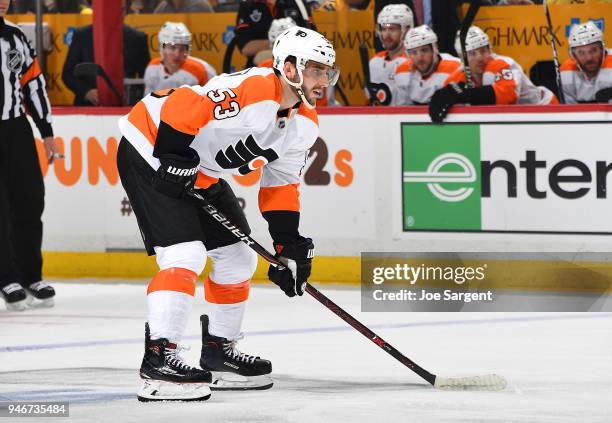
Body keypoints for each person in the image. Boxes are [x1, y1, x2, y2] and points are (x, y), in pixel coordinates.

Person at [117, 26, 338, 401]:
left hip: (200, 168)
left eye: (327, 71)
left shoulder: (305, 123)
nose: (324, 80)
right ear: (289, 69)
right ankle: (158, 360)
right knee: (185, 254)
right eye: (316, 69)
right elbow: (184, 104)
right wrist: (172, 155)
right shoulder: (254, 89)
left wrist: (288, 243)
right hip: (151, 146)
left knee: (237, 258)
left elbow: (281, 183)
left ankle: (219, 351)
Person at [0, 0, 58, 311]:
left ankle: (30, 275)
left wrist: (46, 131)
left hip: (17, 129)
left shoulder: (17, 37)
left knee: (30, 199)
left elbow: (34, 85)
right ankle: (6, 277)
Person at [429, 26, 558, 123]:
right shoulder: (457, 76)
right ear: (462, 58)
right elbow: (453, 94)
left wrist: (467, 94)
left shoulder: (504, 64)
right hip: (514, 119)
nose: (480, 58)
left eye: (483, 51)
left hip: (545, 110)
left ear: (490, 49)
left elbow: (508, 95)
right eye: (472, 53)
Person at [61, 17, 149, 106]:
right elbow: (67, 74)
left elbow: (147, 77)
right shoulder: (81, 35)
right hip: (87, 107)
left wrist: (132, 96)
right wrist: (87, 92)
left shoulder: (137, 38)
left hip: (126, 108)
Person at [234, 0, 316, 67]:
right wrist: (277, 42)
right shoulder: (247, 5)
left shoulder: (298, 2)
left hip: (297, 63)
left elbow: (312, 38)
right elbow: (245, 48)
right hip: (259, 70)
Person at [144, 22, 217, 96]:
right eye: (172, 48)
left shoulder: (203, 70)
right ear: (163, 48)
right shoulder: (152, 67)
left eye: (182, 48)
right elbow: (148, 101)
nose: (177, 54)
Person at [395, 25, 461, 105]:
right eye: (414, 52)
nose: (419, 57)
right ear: (408, 55)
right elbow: (402, 111)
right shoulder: (402, 71)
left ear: (435, 49)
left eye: (424, 50)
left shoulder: (456, 67)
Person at [367, 3, 413, 105]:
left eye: (392, 29)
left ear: (407, 30)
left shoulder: (415, 63)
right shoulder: (374, 62)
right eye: (384, 29)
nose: (387, 34)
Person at [560, 21, 612, 103]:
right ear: (573, 55)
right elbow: (571, 112)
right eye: (581, 52)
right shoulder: (566, 71)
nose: (589, 58)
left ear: (602, 49)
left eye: (594, 50)